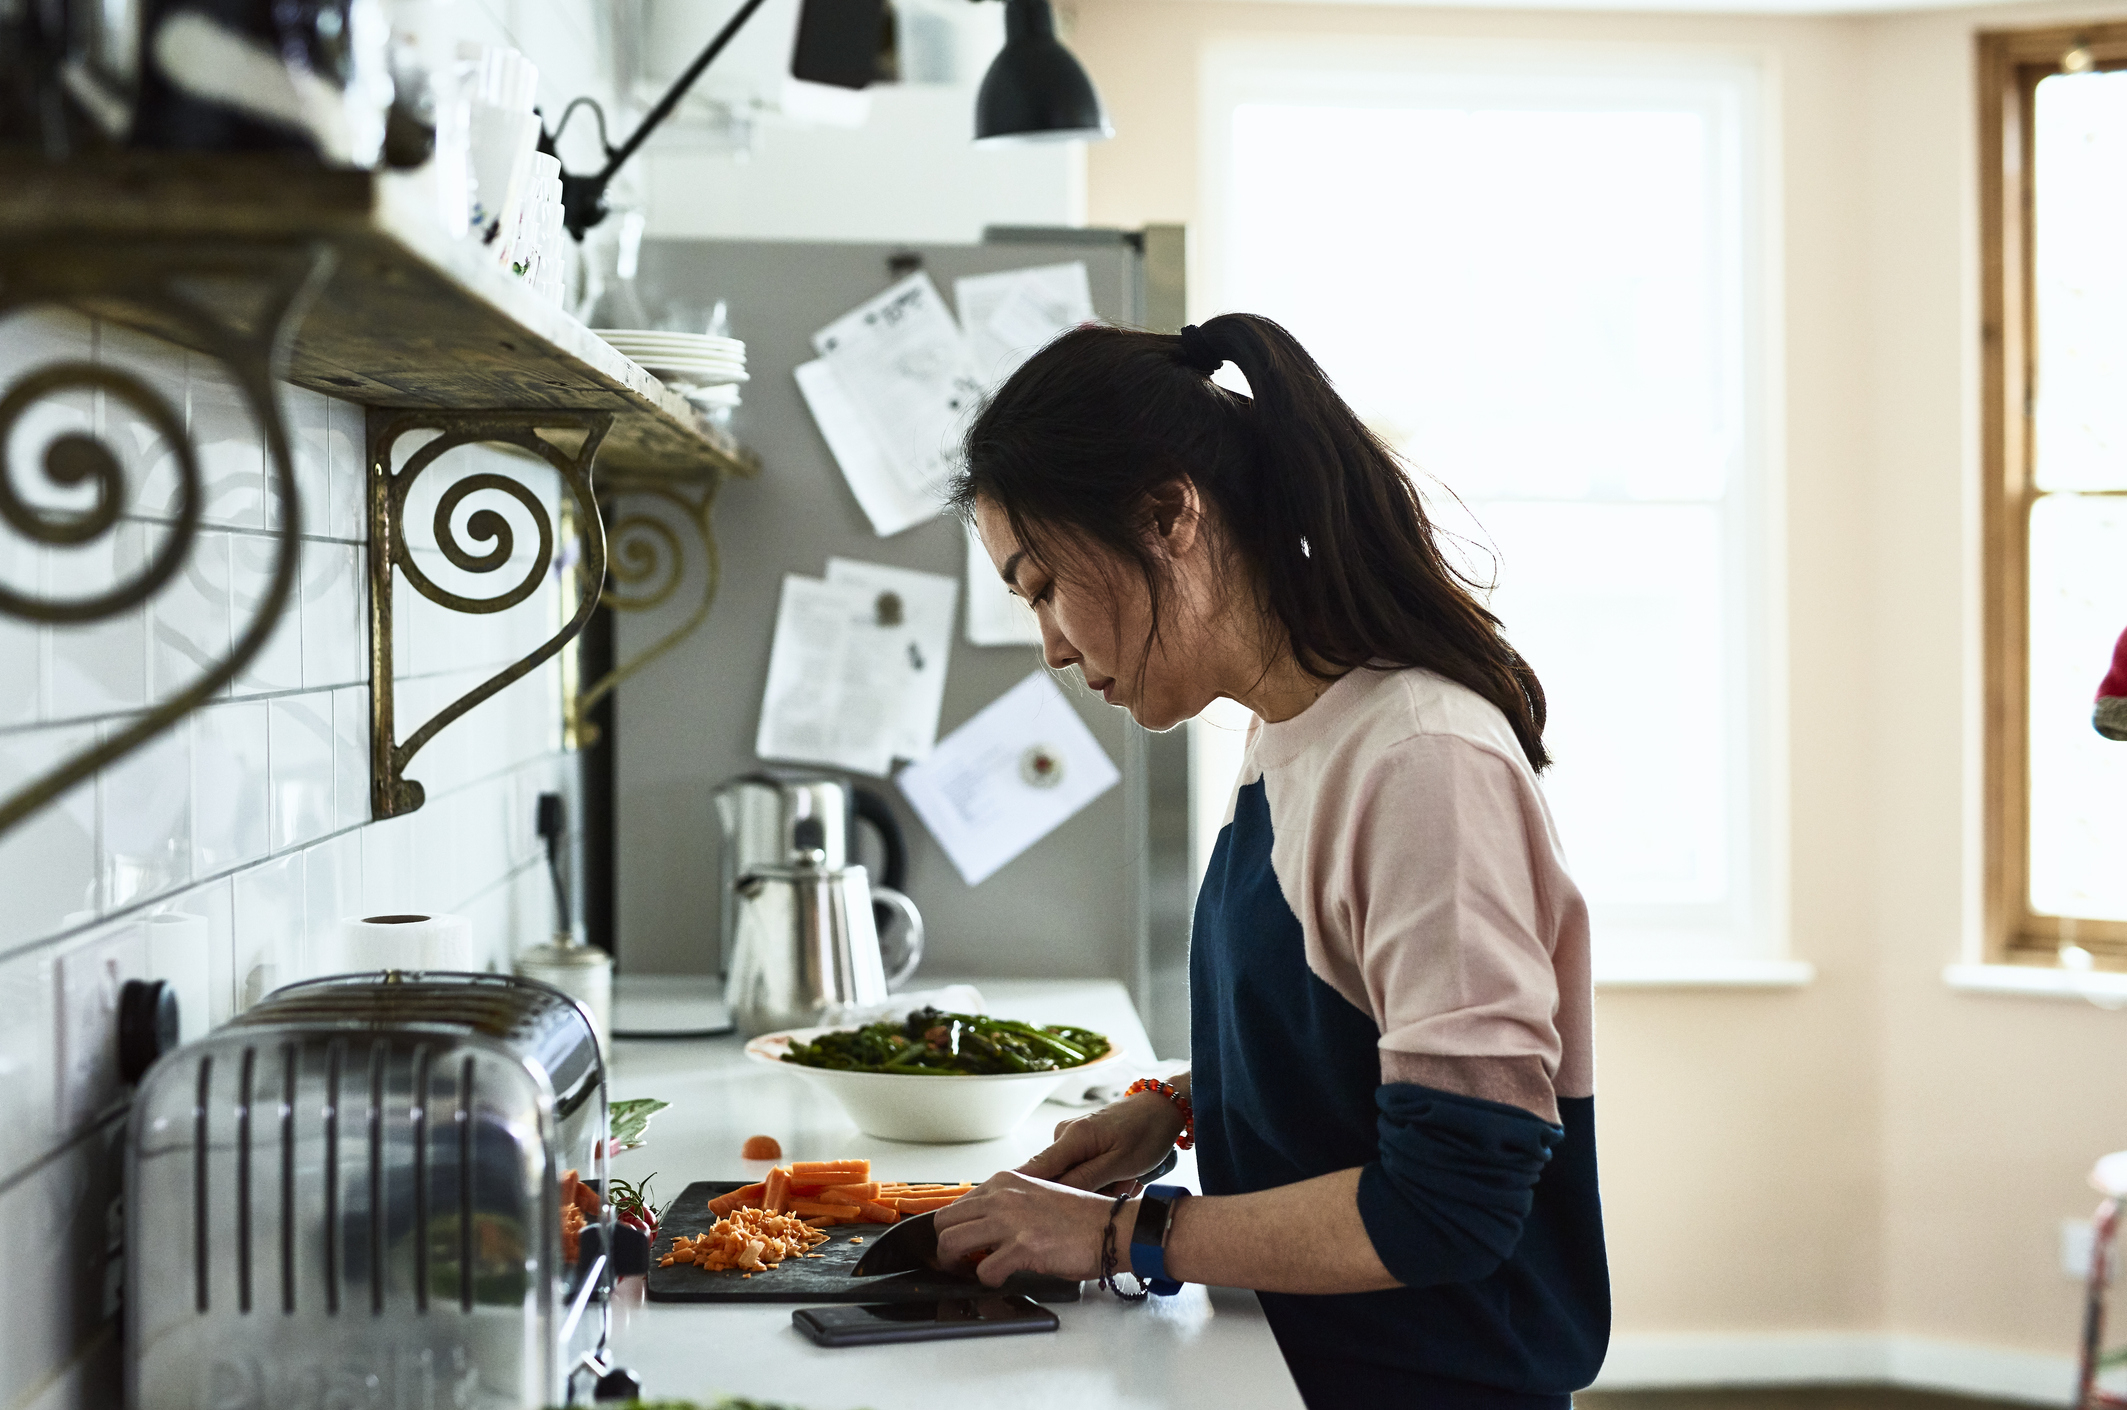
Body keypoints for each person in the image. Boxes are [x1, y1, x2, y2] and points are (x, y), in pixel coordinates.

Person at [932, 315, 1609, 1408]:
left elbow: (1454, 1200)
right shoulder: (1293, 732)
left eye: (1045, 583)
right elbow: (1358, 1034)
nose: (1051, 645)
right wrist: (1181, 1106)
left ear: (1168, 515)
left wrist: (1118, 1234)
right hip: (1311, 1365)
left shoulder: (1422, 762)